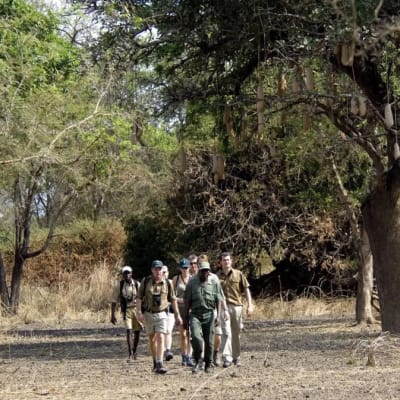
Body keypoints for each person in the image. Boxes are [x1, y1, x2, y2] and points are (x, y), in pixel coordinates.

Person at [136, 260, 182, 374]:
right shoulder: (146, 281)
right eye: (156, 269)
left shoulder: (167, 283)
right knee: (152, 339)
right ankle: (155, 361)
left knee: (161, 337)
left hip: (162, 314)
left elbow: (173, 299)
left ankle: (160, 362)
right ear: (152, 270)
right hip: (148, 313)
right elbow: (139, 297)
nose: (158, 271)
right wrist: (138, 312)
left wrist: (177, 315)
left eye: (160, 269)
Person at [184, 261, 226, 374]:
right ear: (199, 271)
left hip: (209, 314)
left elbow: (219, 299)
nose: (205, 273)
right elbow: (187, 301)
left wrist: (218, 316)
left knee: (209, 341)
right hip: (195, 315)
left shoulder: (214, 282)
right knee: (196, 338)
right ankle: (197, 361)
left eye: (207, 271)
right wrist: (185, 317)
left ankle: (208, 363)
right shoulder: (192, 282)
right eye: (203, 271)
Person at [217, 252, 254, 367]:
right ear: (220, 262)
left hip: (237, 307)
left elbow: (246, 289)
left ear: (231, 261)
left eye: (228, 260)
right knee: (226, 332)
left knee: (236, 333)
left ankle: (236, 357)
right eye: (224, 260)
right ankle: (226, 357)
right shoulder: (216, 276)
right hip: (224, 308)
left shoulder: (238, 274)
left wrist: (250, 305)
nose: (226, 262)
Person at [110, 265, 143, 362]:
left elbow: (143, 297)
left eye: (128, 273)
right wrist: (113, 315)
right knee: (128, 330)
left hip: (136, 310)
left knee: (137, 331)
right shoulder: (119, 285)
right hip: (126, 310)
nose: (126, 275)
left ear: (131, 274)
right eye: (124, 273)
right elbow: (114, 300)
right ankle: (130, 354)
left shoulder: (137, 284)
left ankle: (135, 351)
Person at [172, 258, 194, 367]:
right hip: (180, 309)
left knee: (191, 335)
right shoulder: (176, 279)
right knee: (183, 334)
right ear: (180, 268)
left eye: (186, 268)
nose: (185, 270)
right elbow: (171, 296)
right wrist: (177, 301)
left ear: (189, 268)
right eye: (183, 268)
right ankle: (184, 356)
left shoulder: (193, 279)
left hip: (191, 309)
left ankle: (189, 356)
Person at [162, 265, 175, 362]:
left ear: (168, 273)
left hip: (170, 310)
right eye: (162, 272)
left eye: (165, 272)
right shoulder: (155, 283)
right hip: (159, 311)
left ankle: (168, 350)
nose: (163, 274)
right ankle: (161, 352)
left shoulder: (171, 282)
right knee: (161, 332)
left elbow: (174, 297)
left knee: (168, 330)